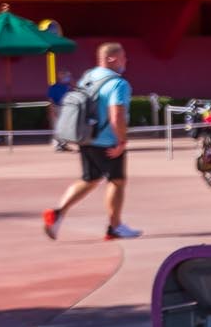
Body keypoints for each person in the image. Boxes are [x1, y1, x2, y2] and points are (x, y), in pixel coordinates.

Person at [42, 43, 139, 241]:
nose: (125, 61)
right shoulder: (118, 84)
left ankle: (57, 213)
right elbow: (117, 115)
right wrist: (121, 142)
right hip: (107, 141)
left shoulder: (88, 76)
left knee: (89, 179)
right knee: (117, 181)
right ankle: (115, 227)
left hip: (85, 137)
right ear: (111, 58)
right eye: (123, 57)